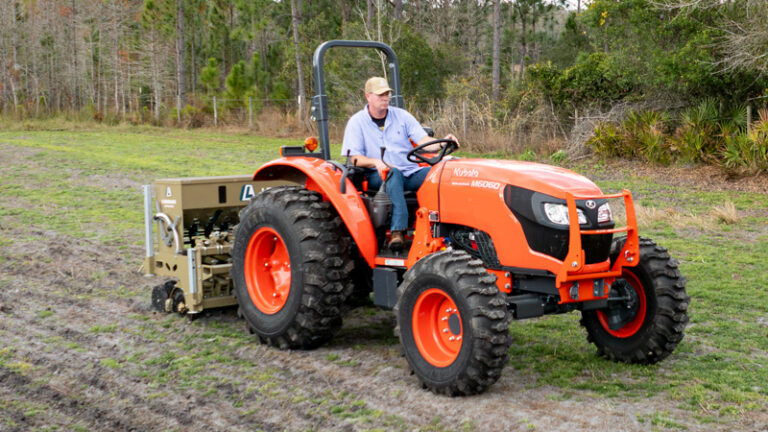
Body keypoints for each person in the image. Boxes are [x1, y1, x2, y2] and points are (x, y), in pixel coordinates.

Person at [341, 76, 459, 251]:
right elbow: (355, 158)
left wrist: (443, 143)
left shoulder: (402, 116)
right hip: (376, 175)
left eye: (387, 94)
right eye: (380, 95)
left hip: (409, 172)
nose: (385, 98)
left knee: (441, 174)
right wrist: (375, 162)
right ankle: (398, 231)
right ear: (368, 96)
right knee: (393, 173)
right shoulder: (357, 122)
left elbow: (424, 141)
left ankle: (451, 230)